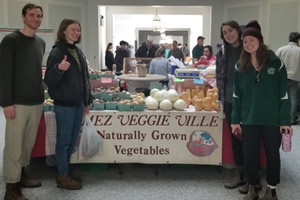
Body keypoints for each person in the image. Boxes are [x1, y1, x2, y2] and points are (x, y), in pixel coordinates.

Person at [231, 20, 293, 200]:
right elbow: (236, 96)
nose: (248, 44)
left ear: (260, 40)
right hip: (248, 119)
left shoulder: (276, 63)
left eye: (252, 40)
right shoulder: (239, 66)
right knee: (250, 155)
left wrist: (285, 121)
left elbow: (284, 95)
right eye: (245, 42)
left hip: (272, 120)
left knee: (273, 155)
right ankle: (253, 186)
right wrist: (235, 120)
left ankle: (272, 189)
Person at [0, 3, 45, 200]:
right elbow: (4, 73)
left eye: (39, 15)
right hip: (17, 104)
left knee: (27, 145)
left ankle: (22, 176)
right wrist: (6, 102)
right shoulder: (10, 41)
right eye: (32, 15)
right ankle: (11, 188)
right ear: (23, 16)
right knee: (14, 147)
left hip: (36, 102)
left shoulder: (41, 42)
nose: (36, 18)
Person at [44, 18, 93, 190]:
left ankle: (65, 171)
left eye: (78, 30)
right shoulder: (58, 51)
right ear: (63, 30)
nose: (76, 33)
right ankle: (62, 176)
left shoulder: (77, 51)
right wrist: (59, 69)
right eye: (72, 29)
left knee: (72, 140)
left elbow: (84, 79)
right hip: (64, 105)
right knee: (63, 141)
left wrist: (87, 100)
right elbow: (49, 79)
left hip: (78, 104)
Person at [216, 20, 250, 194]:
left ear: (238, 30)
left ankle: (252, 179)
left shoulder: (249, 49)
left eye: (231, 30)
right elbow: (219, 78)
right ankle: (239, 174)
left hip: (249, 102)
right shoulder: (222, 51)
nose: (228, 34)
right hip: (230, 102)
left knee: (250, 139)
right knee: (235, 138)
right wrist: (220, 100)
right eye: (225, 32)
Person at [276, 32, 300, 125]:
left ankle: (280, 117)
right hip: (295, 77)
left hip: (282, 77)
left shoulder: (281, 50)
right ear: (298, 40)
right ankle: (292, 119)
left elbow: (275, 63)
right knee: (293, 99)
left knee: (281, 97)